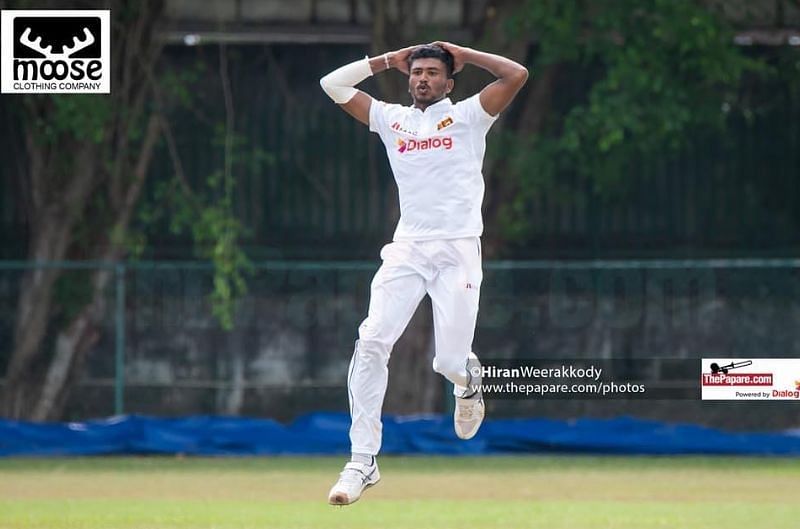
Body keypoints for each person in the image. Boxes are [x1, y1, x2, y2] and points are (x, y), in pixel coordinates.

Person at [319, 42, 528, 505]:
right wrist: (384, 61)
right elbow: (331, 84)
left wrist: (464, 54)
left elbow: (516, 74)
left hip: (457, 250)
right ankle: (362, 461)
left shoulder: (471, 115)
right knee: (371, 340)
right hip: (408, 249)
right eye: (417, 73)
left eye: (433, 72)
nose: (423, 79)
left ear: (448, 83)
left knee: (447, 364)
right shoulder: (393, 120)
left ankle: (468, 381)